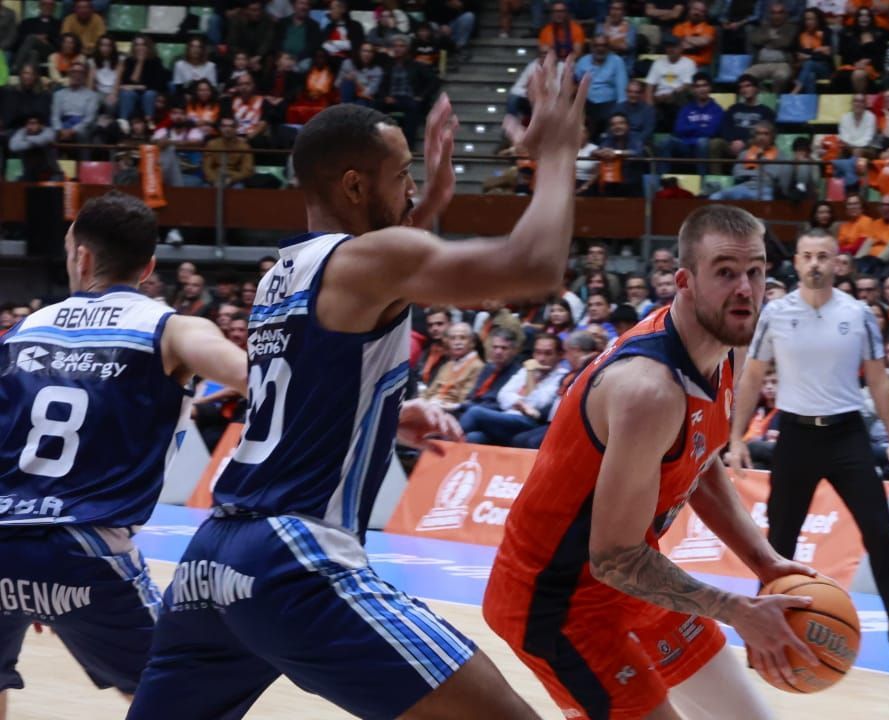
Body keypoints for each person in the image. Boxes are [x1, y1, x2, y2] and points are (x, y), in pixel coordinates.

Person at [127, 57, 587, 719]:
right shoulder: (365, 263)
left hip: (212, 558)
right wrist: (559, 153)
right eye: (403, 176)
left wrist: (384, 414)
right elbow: (534, 266)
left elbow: (310, 383)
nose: (412, 188)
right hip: (296, 556)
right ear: (353, 184)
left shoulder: (282, 272)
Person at [485, 205, 820, 720]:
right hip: (558, 604)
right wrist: (737, 611)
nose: (745, 290)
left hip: (634, 583)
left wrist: (763, 560)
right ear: (684, 282)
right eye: (725, 272)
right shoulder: (649, 391)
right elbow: (614, 558)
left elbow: (699, 456)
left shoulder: (722, 347)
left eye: (755, 272)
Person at [0, 193, 248, 717]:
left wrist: (23, 574)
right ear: (149, 266)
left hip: (4, 537)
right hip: (84, 547)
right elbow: (257, 378)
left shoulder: (23, 329)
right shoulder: (172, 328)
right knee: (177, 697)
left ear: (82, 256)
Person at [729, 229, 889, 672]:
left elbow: (878, 380)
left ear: (838, 262)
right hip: (795, 435)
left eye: (823, 256)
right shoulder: (775, 314)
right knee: (779, 543)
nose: (815, 264)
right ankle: (761, 640)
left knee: (881, 535)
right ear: (797, 262)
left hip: (847, 434)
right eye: (807, 256)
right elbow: (752, 376)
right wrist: (736, 436)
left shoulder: (858, 313)